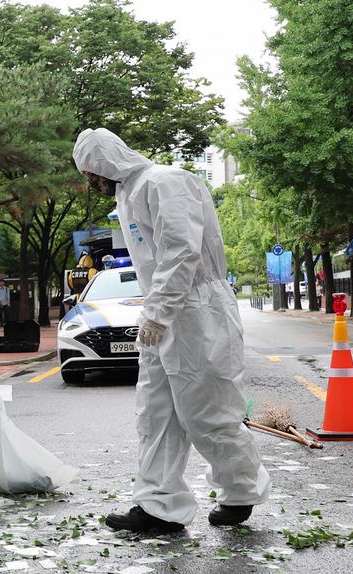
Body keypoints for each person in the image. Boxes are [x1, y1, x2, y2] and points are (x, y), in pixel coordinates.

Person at [72, 128, 270, 533]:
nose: (92, 182)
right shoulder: (129, 193)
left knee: (208, 408)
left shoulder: (165, 181)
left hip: (199, 310)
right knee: (156, 411)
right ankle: (159, 505)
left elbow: (182, 249)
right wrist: (157, 312)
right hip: (163, 311)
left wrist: (159, 311)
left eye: (92, 173)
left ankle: (241, 490)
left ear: (106, 161)